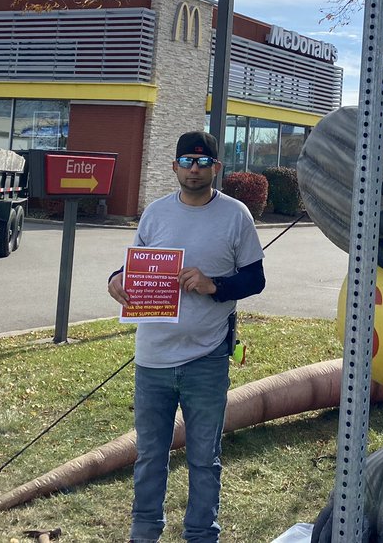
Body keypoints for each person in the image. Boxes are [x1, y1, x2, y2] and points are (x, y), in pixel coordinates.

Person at [108, 130, 265, 543]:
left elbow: (255, 278)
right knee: (149, 456)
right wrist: (116, 279)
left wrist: (214, 285)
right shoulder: (156, 213)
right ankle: (144, 532)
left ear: (217, 167)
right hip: (153, 358)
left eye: (202, 162)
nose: (193, 169)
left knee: (203, 458)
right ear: (174, 166)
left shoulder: (236, 215)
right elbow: (134, 263)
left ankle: (200, 534)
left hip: (207, 357)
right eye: (186, 161)